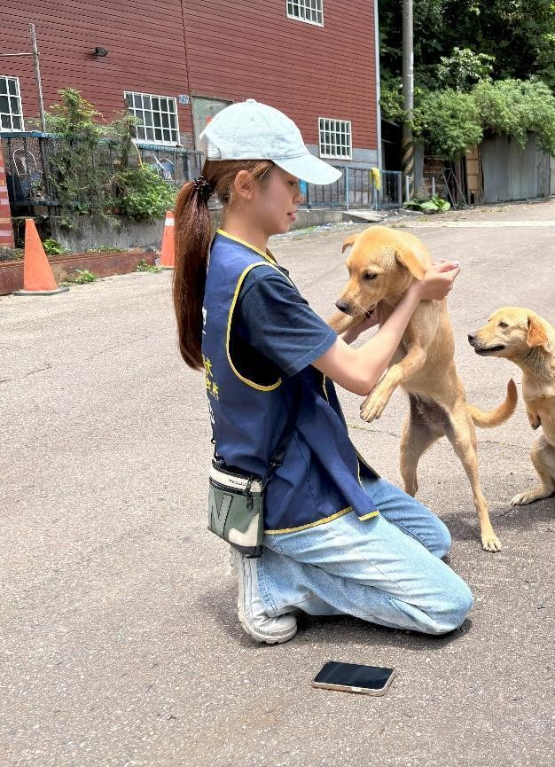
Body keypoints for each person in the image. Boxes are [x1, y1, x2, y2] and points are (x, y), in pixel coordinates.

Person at [172, 99, 472, 644]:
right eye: (290, 182)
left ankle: (287, 563)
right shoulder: (259, 283)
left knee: (433, 538)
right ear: (245, 185)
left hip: (296, 463)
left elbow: (315, 342)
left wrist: (373, 305)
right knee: (449, 604)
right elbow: (357, 374)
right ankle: (277, 580)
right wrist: (413, 298)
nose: (300, 196)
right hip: (291, 490)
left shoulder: (230, 259)